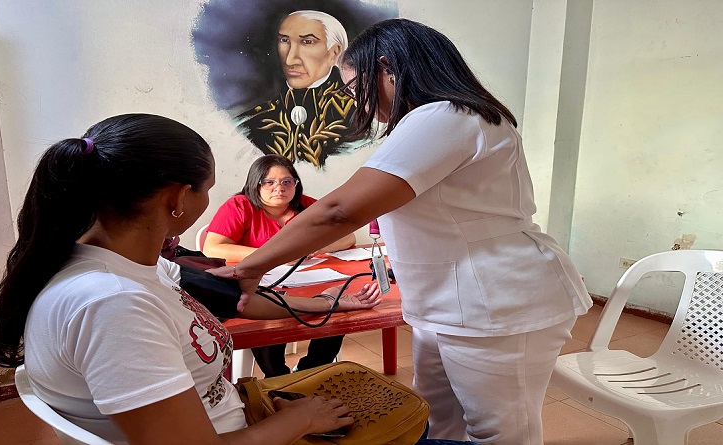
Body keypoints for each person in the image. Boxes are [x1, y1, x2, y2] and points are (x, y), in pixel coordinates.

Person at [210, 19, 593, 445]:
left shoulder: (448, 116)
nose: (355, 101)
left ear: (386, 68)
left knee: (500, 431)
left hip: (497, 301)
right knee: (436, 417)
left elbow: (339, 211)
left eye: (354, 87)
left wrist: (252, 266)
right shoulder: (433, 121)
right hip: (446, 300)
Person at [0, 114, 386, 445]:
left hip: (235, 417)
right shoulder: (113, 305)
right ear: (176, 198)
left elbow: (237, 298)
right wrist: (301, 420)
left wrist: (330, 303)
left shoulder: (132, 266)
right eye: (206, 189)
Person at [203, 154, 356, 377]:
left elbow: (348, 237)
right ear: (255, 184)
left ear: (296, 184)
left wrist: (319, 246)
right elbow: (212, 248)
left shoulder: (307, 206)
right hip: (260, 285)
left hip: (307, 282)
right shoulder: (239, 206)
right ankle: (277, 377)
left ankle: (309, 371)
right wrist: (271, 256)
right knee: (267, 316)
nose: (279, 188)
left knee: (335, 309)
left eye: (287, 181)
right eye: (269, 182)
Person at [235, 10, 364, 168]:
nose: (290, 60)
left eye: (307, 42)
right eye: (284, 40)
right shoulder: (248, 125)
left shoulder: (364, 120)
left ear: (334, 53)